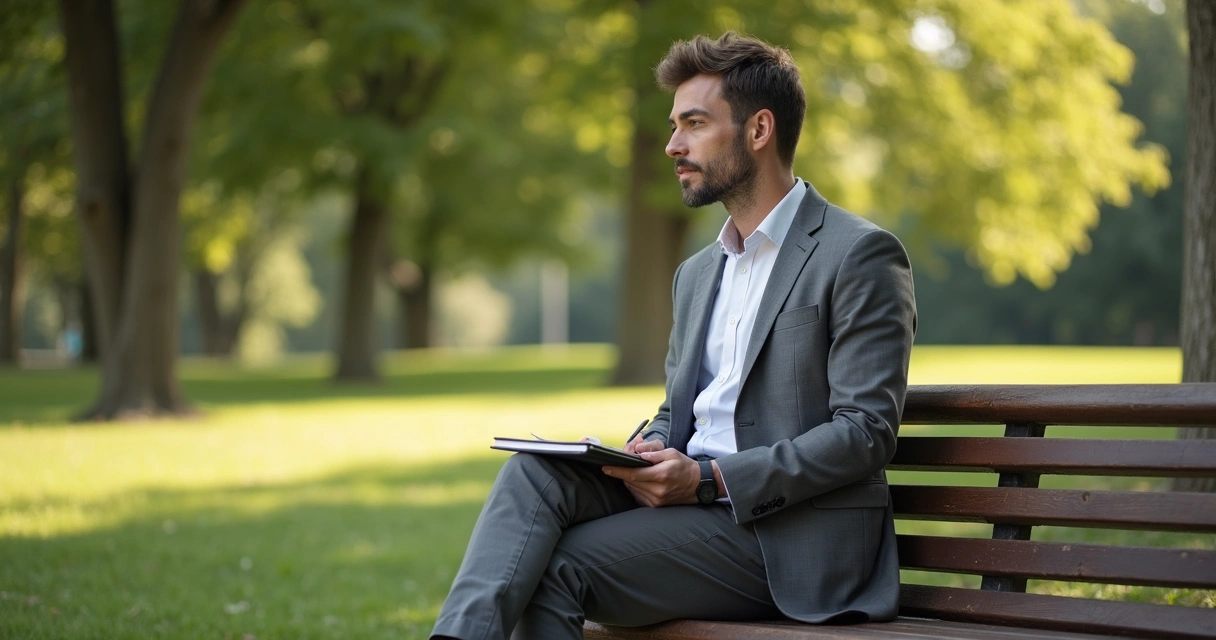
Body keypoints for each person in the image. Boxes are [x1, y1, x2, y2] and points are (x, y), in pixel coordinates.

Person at [430, 31, 916, 640]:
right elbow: (678, 411)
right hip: (691, 504)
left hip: (787, 541)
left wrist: (710, 480)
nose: (671, 146)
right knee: (535, 470)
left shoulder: (857, 254)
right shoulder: (697, 274)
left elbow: (865, 433)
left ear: (758, 130)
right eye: (673, 125)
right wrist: (646, 450)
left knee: (554, 569)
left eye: (693, 124)